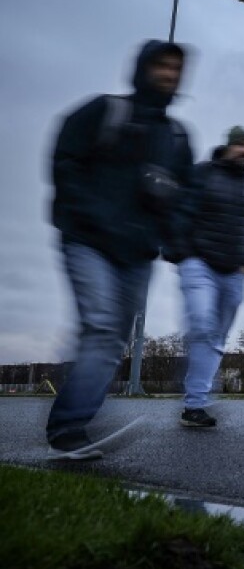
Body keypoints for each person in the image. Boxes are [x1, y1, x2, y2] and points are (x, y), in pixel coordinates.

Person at [47, 40, 194, 459]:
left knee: (113, 341)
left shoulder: (177, 137)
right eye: (162, 66)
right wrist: (89, 213)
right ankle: (68, 429)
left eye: (176, 69)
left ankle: (72, 410)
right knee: (100, 327)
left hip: (135, 254)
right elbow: (64, 162)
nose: (169, 74)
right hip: (88, 241)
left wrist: (175, 240)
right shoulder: (105, 111)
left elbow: (184, 199)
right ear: (144, 68)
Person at [168, 126, 244, 428]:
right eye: (240, 145)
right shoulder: (202, 174)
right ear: (228, 146)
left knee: (215, 338)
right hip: (199, 263)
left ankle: (195, 401)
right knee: (202, 323)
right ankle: (194, 398)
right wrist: (182, 252)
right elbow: (179, 211)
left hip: (235, 272)